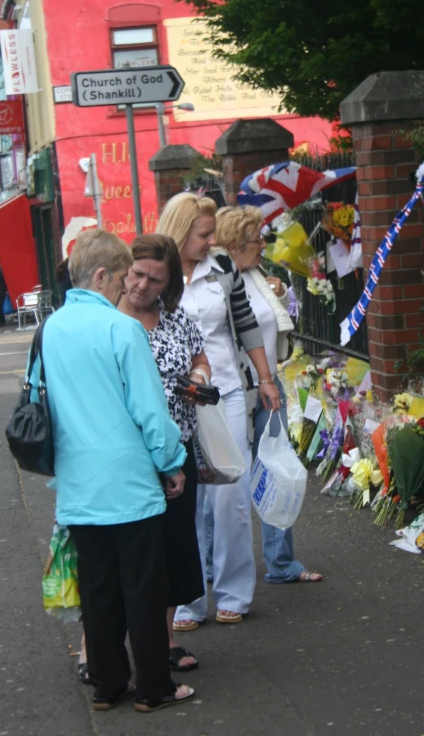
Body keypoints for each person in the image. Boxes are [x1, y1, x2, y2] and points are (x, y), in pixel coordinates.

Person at [31, 229, 194, 713]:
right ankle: (154, 688)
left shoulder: (51, 328)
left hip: (78, 485)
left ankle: (106, 684)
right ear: (102, 275)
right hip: (128, 482)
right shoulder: (122, 330)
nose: (128, 288)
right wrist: (172, 463)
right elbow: (148, 410)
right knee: (144, 588)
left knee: (98, 591)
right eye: (123, 278)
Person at [156, 192, 281, 628]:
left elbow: (245, 321)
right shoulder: (157, 272)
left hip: (224, 393)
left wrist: (265, 379)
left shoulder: (224, 267)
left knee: (231, 495)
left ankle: (234, 591)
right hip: (173, 402)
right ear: (180, 231)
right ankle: (189, 599)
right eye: (203, 234)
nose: (211, 242)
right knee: (184, 500)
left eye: (212, 234)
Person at [215, 205, 323, 584]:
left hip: (268, 388)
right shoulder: (216, 283)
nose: (263, 245)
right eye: (254, 240)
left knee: (276, 470)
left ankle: (282, 563)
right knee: (226, 478)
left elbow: (275, 326)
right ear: (231, 244)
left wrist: (280, 290)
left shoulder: (260, 276)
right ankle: (217, 565)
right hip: (231, 392)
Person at [119, 233, 209, 672]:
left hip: (177, 449)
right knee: (121, 550)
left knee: (172, 544)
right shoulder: (109, 320)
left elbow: (201, 357)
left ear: (169, 282)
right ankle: (94, 643)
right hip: (126, 455)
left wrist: (198, 377)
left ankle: (166, 639)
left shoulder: (175, 319)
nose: (143, 285)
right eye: (137, 273)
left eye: (156, 279)